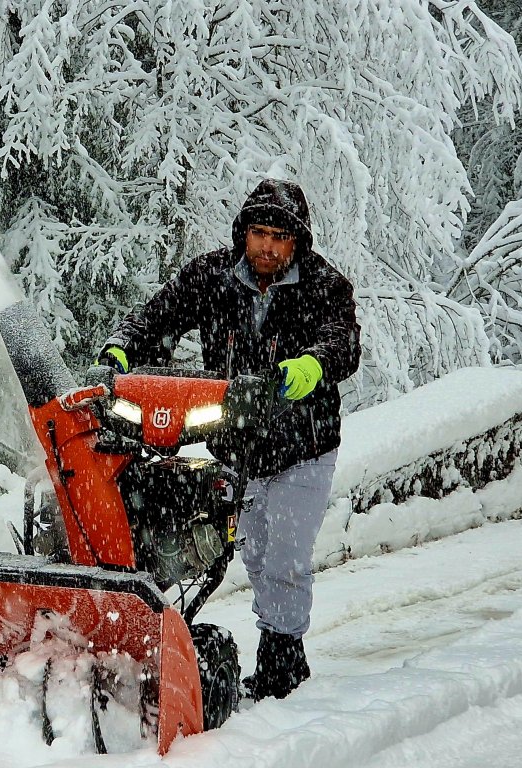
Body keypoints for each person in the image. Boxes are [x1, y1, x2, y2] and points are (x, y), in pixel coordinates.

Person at [97, 178, 361, 700]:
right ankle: (280, 642)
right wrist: (123, 349)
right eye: (258, 233)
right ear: (244, 234)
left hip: (301, 447)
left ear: (297, 242)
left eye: (279, 236)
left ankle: (282, 661)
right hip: (236, 444)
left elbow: (343, 342)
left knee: (285, 556)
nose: (267, 246)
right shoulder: (212, 277)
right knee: (256, 553)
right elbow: (159, 316)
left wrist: (312, 366)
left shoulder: (325, 288)